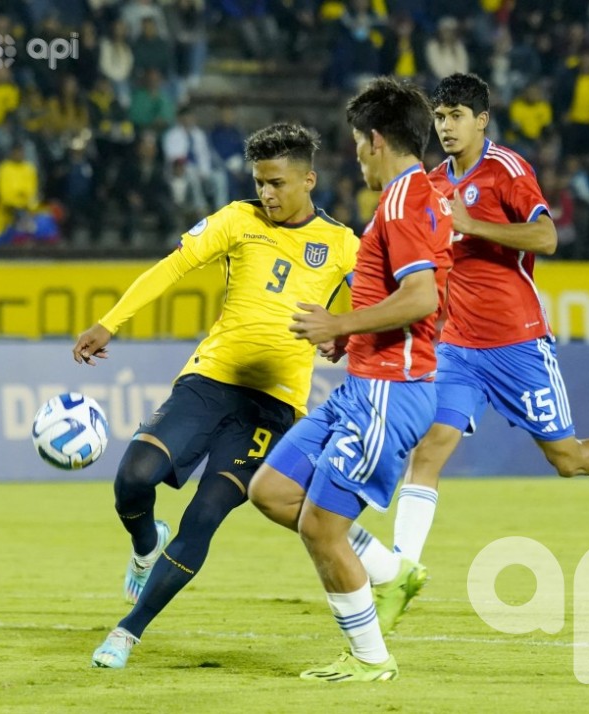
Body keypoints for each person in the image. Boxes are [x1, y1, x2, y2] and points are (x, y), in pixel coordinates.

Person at [347, 74, 589, 631]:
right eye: (440, 116)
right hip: (456, 345)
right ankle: (401, 578)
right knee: (429, 450)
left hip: (518, 343)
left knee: (567, 458)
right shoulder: (430, 182)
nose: (446, 125)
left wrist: (471, 225)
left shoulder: (507, 170)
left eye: (457, 115)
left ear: (482, 120)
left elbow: (547, 238)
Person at [73, 122, 359, 669]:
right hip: (210, 381)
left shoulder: (344, 245)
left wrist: (346, 331)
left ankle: (128, 632)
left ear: (308, 180)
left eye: (276, 182)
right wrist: (111, 323)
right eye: (259, 181)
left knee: (205, 514)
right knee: (133, 479)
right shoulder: (236, 219)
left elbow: (379, 307)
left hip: (272, 407)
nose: (267, 193)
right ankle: (142, 544)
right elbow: (173, 266)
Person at [248, 77, 453, 682]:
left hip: (390, 392)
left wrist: (341, 320)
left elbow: (421, 297)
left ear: (374, 139)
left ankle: (370, 658)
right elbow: (401, 297)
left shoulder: (403, 202)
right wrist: (352, 334)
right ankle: (393, 571)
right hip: (364, 381)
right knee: (273, 490)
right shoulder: (410, 198)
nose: (355, 156)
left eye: (356, 144)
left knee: (319, 526)